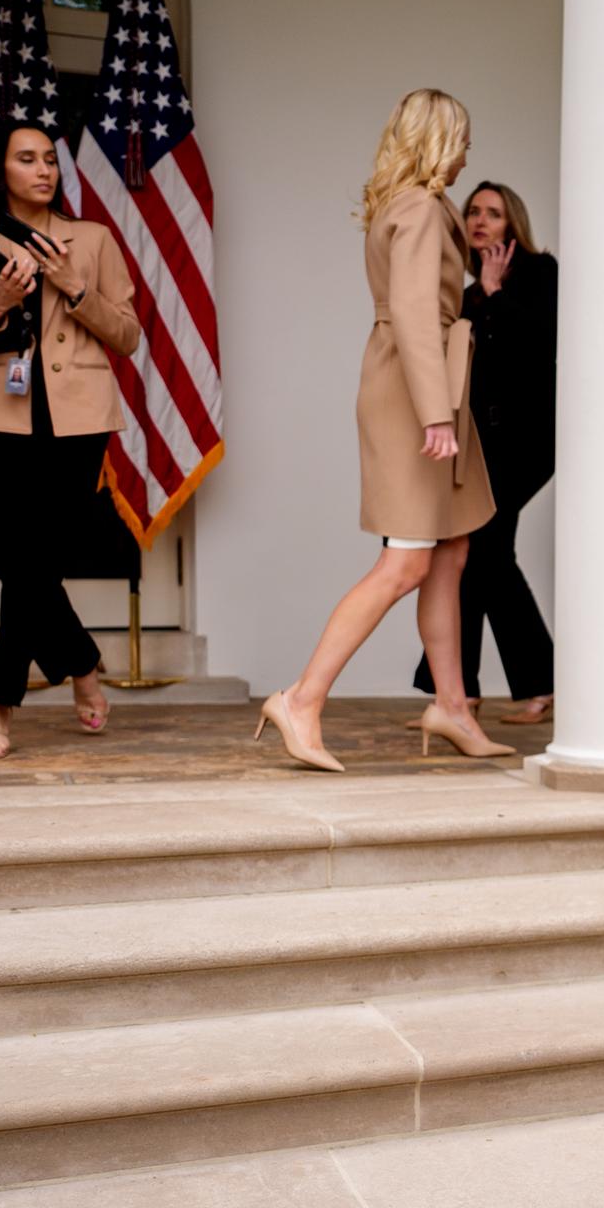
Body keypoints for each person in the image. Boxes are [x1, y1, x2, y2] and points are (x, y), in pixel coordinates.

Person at [256, 88, 513, 772]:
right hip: (415, 391)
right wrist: (435, 412)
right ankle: (301, 699)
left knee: (451, 552)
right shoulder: (422, 209)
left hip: (422, 383)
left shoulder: (405, 204)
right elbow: (412, 311)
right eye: (462, 140)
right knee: (406, 562)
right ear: (440, 141)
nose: (467, 154)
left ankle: (452, 707)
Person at [0, 122, 141, 761]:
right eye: (27, 159)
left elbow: (128, 335)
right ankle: (60, 671)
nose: (44, 169)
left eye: (50, 158)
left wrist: (77, 288)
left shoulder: (93, 238)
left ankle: (15, 694)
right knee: (23, 559)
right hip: (3, 413)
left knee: (36, 561)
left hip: (80, 415)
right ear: (0, 169)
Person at [408, 180, 556, 721]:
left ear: (512, 222)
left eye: (492, 213)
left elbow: (534, 348)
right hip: (483, 444)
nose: (479, 220)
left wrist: (493, 295)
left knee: (485, 551)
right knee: (468, 553)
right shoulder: (470, 293)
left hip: (526, 441)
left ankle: (531, 683)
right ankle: (458, 691)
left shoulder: (541, 273)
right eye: (473, 211)